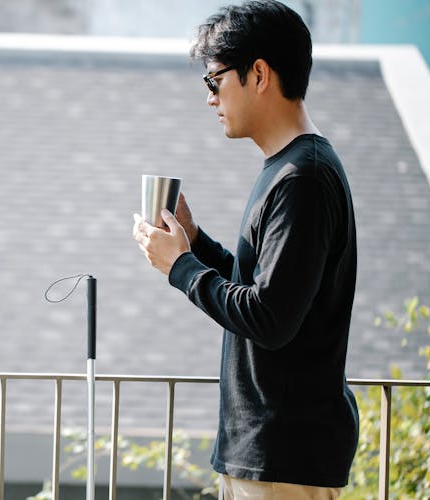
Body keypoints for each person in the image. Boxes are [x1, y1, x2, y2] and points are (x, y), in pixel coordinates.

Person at [132, 1, 359, 499]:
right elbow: (268, 289)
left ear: (258, 73)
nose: (209, 98)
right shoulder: (291, 168)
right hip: (271, 454)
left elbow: (270, 319)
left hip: (283, 456)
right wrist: (196, 243)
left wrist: (181, 267)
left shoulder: (304, 176)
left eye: (214, 80)